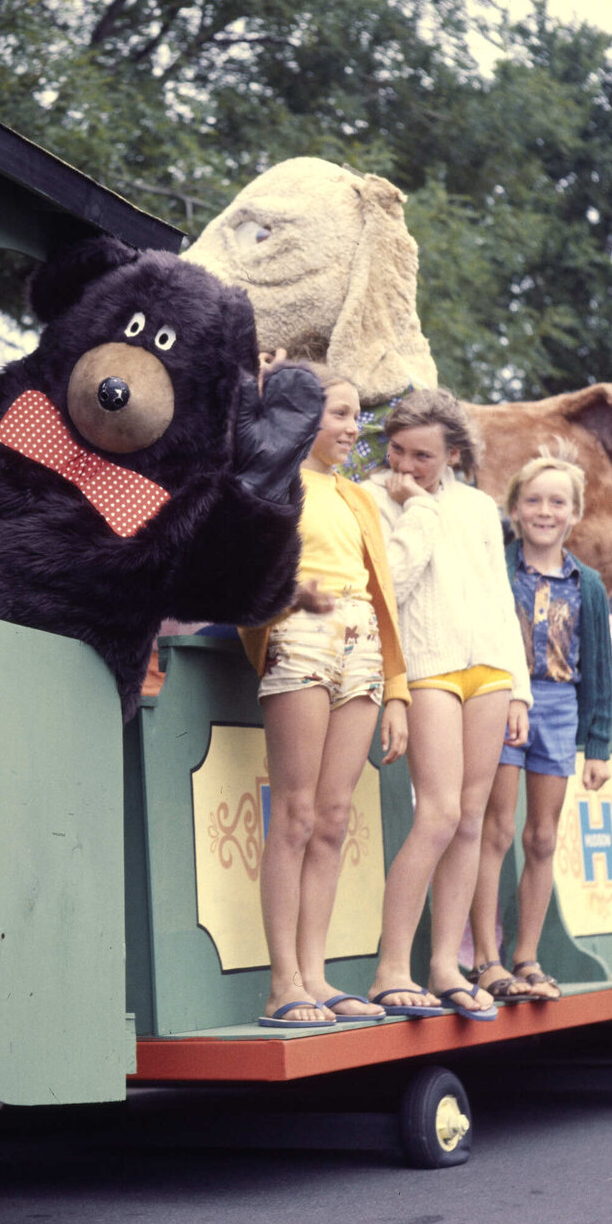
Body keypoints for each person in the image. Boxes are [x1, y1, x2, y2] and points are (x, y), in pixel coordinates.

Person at [237, 358, 412, 1027]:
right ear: (302, 416)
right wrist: (250, 386)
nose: (353, 427)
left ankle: (315, 972)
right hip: (300, 632)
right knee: (298, 813)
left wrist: (397, 687)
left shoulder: (357, 496)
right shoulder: (270, 479)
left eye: (354, 414)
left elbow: (384, 593)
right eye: (339, 413)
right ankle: (284, 982)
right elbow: (238, 555)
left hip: (361, 637)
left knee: (336, 815)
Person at [358, 389, 532, 1020]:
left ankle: (444, 966)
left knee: (470, 818)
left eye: (423, 456)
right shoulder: (378, 499)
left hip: (488, 670)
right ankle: (390, 969)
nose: (406, 466)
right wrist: (416, 509)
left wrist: (520, 687)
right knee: (434, 815)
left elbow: (497, 596)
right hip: (427, 668)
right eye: (397, 451)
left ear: (454, 452)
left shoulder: (483, 509)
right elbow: (392, 587)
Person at [471, 443, 612, 1002]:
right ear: (515, 509)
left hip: (558, 707)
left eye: (558, 502)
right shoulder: (499, 571)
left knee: (542, 836)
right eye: (533, 500)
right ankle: (485, 958)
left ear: (574, 514)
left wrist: (597, 745)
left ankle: (526, 956)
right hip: (504, 699)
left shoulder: (589, 586)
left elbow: (596, 669)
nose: (545, 511)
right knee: (496, 830)